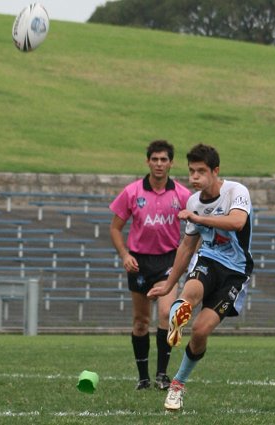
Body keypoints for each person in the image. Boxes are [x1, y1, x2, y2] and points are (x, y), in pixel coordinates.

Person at [147, 143, 253, 409]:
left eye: (201, 171)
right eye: (191, 171)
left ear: (215, 171)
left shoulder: (236, 191)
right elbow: (186, 247)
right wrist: (168, 285)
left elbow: (237, 222)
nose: (194, 177)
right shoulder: (193, 202)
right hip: (209, 260)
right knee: (190, 293)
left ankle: (178, 383)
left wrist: (198, 218)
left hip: (236, 272)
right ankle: (177, 314)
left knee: (201, 331)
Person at [109, 140, 191, 390]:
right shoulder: (132, 192)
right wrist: (124, 254)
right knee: (141, 321)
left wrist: (187, 255)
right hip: (140, 262)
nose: (159, 164)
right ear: (147, 161)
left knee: (167, 314)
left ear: (171, 163)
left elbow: (196, 226)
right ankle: (143, 377)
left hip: (168, 261)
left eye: (163, 159)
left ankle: (162, 375)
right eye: (154, 159)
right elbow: (115, 227)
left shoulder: (182, 194)